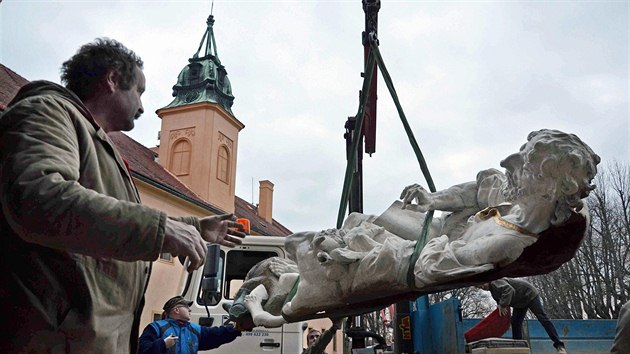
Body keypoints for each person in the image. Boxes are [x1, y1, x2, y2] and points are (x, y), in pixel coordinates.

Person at [0, 38, 246, 353]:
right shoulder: (47, 110)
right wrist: (163, 229)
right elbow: (40, 197)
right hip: (51, 341)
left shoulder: (99, 144)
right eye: (140, 91)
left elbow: (115, 217)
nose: (144, 106)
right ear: (113, 79)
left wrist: (196, 227)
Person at [233, 129, 599, 327]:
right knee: (350, 226)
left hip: (409, 256)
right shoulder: (511, 199)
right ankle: (268, 284)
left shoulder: (503, 243)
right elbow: (476, 189)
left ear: (549, 185)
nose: (509, 161)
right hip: (425, 234)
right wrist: (432, 199)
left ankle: (262, 291)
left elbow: (429, 268)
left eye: (524, 160)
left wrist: (362, 250)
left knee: (317, 239)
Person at [477, 278, 567, 354]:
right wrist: (504, 322)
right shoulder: (494, 294)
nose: (482, 287)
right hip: (520, 303)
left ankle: (559, 346)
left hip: (529, 294)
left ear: (487, 280)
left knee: (543, 318)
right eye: (479, 287)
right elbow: (503, 310)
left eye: (482, 284)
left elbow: (509, 290)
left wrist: (502, 304)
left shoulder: (495, 281)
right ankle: (518, 349)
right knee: (515, 323)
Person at [138, 295, 241, 354]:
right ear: (176, 310)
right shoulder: (156, 328)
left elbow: (217, 334)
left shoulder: (194, 329)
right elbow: (142, 350)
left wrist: (237, 327)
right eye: (186, 306)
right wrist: (163, 344)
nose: (190, 309)